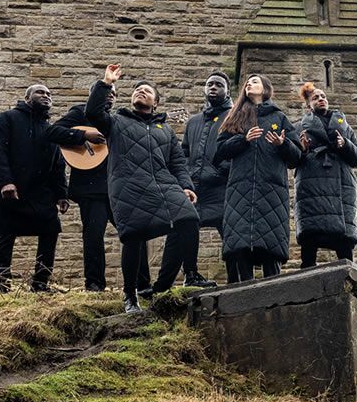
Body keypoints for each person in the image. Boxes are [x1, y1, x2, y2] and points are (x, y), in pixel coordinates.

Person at [84, 65, 199, 313]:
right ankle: (130, 296)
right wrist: (105, 83)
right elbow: (92, 112)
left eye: (146, 91)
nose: (141, 92)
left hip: (164, 185)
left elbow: (178, 163)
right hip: (128, 186)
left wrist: (186, 186)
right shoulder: (116, 122)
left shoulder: (165, 130)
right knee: (134, 238)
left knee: (189, 220)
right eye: (137, 90)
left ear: (155, 103)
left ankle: (163, 285)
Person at [0, 84, 99, 293]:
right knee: (5, 235)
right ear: (27, 97)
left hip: (40, 193)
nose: (46, 96)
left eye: (49, 94)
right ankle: (1, 284)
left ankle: (40, 283)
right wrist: (5, 182)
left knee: (50, 230)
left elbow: (57, 164)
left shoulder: (50, 129)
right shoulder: (7, 119)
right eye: (40, 92)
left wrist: (61, 194)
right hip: (11, 189)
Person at [47, 83, 149, 293]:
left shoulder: (118, 120)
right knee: (93, 236)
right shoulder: (80, 112)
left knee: (135, 232)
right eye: (106, 92)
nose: (110, 96)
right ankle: (94, 284)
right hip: (91, 189)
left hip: (118, 188)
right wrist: (83, 137)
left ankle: (142, 283)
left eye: (114, 94)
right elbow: (52, 131)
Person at [213, 74, 301, 282]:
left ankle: (275, 293)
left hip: (271, 190)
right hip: (240, 190)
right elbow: (219, 152)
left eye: (255, 81)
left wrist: (283, 144)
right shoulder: (235, 117)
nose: (249, 84)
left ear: (265, 89)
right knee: (241, 246)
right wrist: (243, 140)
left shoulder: (279, 118)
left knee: (271, 247)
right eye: (247, 82)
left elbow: (296, 157)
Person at [294, 83, 357, 268]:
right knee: (310, 237)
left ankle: (351, 280)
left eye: (323, 96)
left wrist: (344, 144)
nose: (321, 99)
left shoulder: (344, 126)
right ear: (309, 104)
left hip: (342, 183)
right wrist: (301, 149)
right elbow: (291, 160)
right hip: (311, 184)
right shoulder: (299, 126)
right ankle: (307, 280)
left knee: (344, 243)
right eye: (315, 97)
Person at [181, 71, 233, 285]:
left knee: (229, 234)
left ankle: (236, 278)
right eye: (210, 84)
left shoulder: (233, 116)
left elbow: (237, 147)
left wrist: (220, 171)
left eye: (218, 85)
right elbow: (184, 153)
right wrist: (186, 176)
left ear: (227, 90)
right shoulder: (193, 122)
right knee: (187, 230)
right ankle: (190, 276)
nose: (213, 87)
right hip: (195, 189)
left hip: (221, 187)